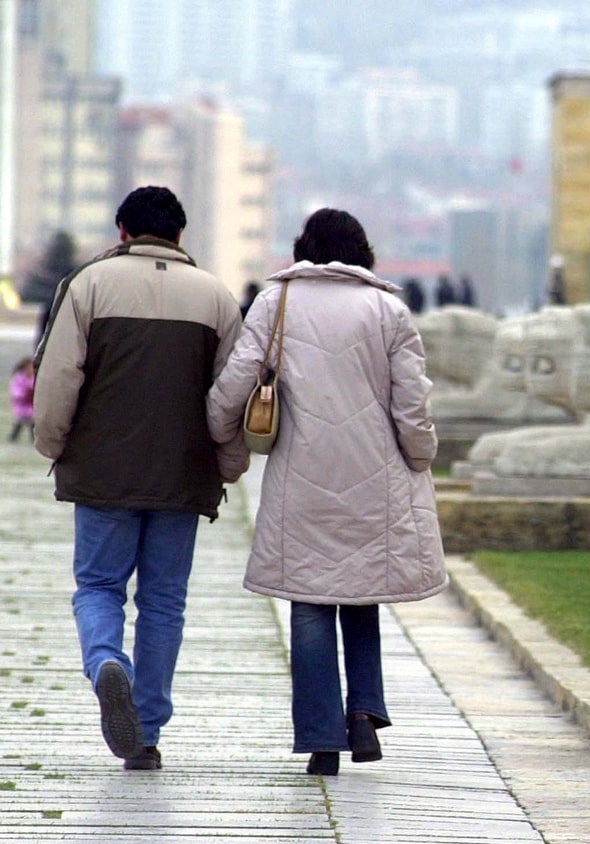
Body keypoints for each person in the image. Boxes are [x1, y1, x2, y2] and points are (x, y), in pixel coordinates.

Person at [206, 208, 447, 777]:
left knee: (310, 602)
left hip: (300, 477)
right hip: (376, 477)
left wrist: (220, 438)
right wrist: (421, 455)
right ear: (362, 250)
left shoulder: (276, 305)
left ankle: (320, 738)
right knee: (362, 595)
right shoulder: (389, 310)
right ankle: (363, 712)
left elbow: (237, 384)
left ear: (304, 249)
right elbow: (412, 404)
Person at [32, 186, 247, 771]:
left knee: (99, 587)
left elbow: (58, 379)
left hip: (103, 472)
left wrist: (53, 444)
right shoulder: (216, 298)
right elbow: (230, 397)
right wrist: (229, 464)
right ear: (180, 235)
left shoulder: (89, 286)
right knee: (163, 602)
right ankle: (146, 730)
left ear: (122, 230)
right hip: (183, 474)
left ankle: (108, 662)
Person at [8, 356, 35, 442]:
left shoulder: (34, 378)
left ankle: (33, 439)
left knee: (33, 421)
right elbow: (15, 392)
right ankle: (13, 438)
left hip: (32, 404)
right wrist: (24, 393)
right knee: (21, 420)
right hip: (22, 405)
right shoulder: (19, 379)